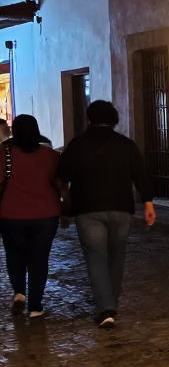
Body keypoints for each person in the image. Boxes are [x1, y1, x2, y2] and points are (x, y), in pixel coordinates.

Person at [58, 100, 156, 327]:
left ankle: (105, 308)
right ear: (113, 118)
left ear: (89, 118)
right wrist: (148, 203)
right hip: (121, 208)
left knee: (96, 257)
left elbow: (63, 176)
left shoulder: (77, 145)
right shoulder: (126, 145)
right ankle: (111, 302)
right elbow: (140, 175)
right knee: (117, 256)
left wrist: (64, 207)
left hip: (88, 209)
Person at [0, 115, 62, 317]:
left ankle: (19, 292)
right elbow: (61, 185)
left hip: (10, 214)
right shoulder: (51, 155)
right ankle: (35, 306)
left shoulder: (3, 153)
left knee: (14, 255)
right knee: (39, 259)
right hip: (45, 215)